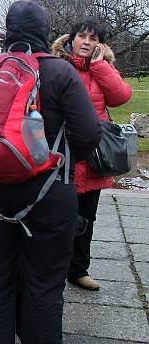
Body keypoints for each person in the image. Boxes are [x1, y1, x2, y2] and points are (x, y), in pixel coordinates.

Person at [0, 0, 101, 344]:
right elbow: (88, 135)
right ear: (46, 31)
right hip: (48, 197)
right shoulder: (62, 72)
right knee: (43, 286)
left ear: (8, 31)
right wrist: (57, 161)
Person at [53, 20, 133, 291]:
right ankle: (52, 268)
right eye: (82, 36)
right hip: (62, 152)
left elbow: (121, 96)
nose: (86, 42)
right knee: (58, 216)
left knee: (87, 216)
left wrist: (99, 66)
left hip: (93, 155)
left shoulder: (103, 67)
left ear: (100, 43)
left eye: (93, 37)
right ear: (71, 39)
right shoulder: (58, 65)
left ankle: (78, 269)